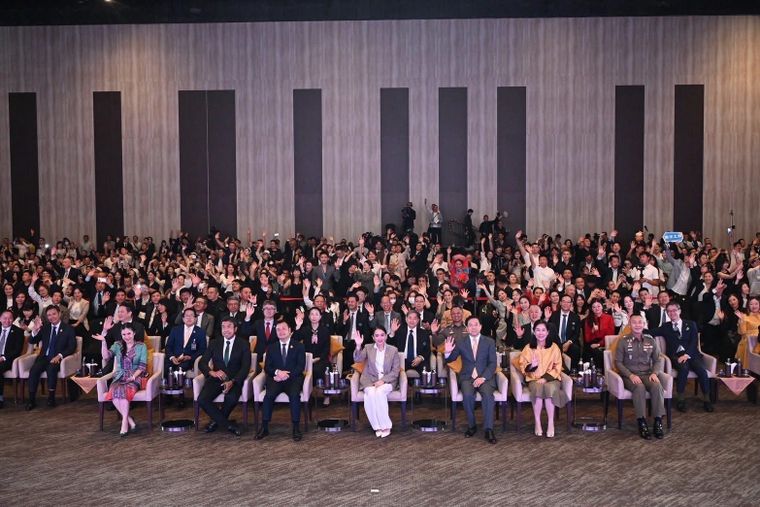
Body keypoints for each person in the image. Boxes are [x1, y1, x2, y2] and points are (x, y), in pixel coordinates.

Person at [444, 316, 498, 444]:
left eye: (476, 324)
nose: (473, 327)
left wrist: (483, 377)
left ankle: (488, 429)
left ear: (480, 327)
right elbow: (451, 359)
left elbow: (493, 363)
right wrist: (447, 352)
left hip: (485, 377)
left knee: (488, 396)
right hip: (467, 377)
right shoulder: (461, 342)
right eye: (470, 325)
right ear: (467, 328)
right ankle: (472, 425)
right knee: (467, 395)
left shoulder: (489, 342)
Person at [613, 314, 667, 440]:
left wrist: (655, 373)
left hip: (647, 374)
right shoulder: (623, 341)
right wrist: (630, 375)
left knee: (657, 386)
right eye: (634, 322)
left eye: (640, 322)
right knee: (639, 387)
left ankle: (658, 421)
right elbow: (618, 362)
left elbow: (658, 360)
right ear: (630, 325)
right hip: (629, 376)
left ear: (644, 324)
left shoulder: (650, 340)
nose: (637, 325)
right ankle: (641, 422)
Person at [197, 317, 251, 436]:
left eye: (229, 327)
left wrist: (232, 381)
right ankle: (228, 425)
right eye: (223, 327)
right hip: (216, 379)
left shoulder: (243, 344)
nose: (226, 330)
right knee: (202, 399)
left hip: (234, 379)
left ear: (235, 329)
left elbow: (245, 367)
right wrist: (212, 372)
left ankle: (215, 422)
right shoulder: (214, 343)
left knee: (231, 399)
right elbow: (202, 362)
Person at [656, 302, 713, 413]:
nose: (672, 313)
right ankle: (680, 399)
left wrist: (687, 355)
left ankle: (707, 399)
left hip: (692, 354)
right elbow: (651, 332)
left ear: (679, 311)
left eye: (674, 310)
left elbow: (694, 341)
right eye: (669, 311)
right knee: (684, 368)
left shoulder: (691, 324)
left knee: (702, 371)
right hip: (675, 356)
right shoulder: (665, 327)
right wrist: (634, 329)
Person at [256, 320, 307, 442]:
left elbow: (300, 366)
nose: (281, 331)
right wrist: (277, 373)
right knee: (268, 396)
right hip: (276, 379)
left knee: (294, 396)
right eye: (278, 329)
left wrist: (286, 375)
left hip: (293, 379)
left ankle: (296, 428)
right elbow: (267, 367)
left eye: (284, 329)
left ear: (290, 331)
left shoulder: (299, 346)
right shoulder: (271, 347)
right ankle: (264, 427)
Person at [93, 324, 147, 436]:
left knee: (123, 391)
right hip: (120, 376)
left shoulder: (141, 346)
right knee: (114, 392)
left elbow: (142, 366)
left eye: (129, 334)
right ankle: (129, 420)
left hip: (135, 376)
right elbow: (106, 357)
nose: (127, 337)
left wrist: (133, 376)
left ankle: (124, 423)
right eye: (124, 334)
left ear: (134, 333)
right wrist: (103, 341)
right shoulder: (117, 345)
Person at [516, 321, 567, 438]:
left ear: (547, 332)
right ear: (534, 332)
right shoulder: (528, 348)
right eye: (538, 330)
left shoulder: (554, 347)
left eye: (543, 330)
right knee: (538, 390)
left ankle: (550, 423)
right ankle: (537, 422)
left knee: (549, 389)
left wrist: (545, 378)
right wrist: (532, 366)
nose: (540, 333)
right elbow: (522, 366)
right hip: (534, 379)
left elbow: (558, 366)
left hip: (551, 378)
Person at [25, 305, 77, 410]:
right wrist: (35, 330)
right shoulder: (45, 327)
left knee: (51, 368)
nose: (52, 317)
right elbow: (32, 341)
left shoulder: (68, 329)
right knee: (34, 370)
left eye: (54, 314)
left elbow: (72, 347)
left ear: (59, 314)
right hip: (44, 357)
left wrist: (60, 355)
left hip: (57, 358)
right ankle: (31, 400)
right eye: (49, 315)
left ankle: (51, 397)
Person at [352, 326, 401, 437]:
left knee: (379, 392)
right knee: (370, 394)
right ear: (373, 337)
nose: (380, 338)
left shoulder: (393, 350)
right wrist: (358, 346)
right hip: (369, 380)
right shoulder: (368, 347)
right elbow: (357, 359)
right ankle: (377, 426)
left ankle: (386, 425)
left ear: (386, 336)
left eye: (382, 335)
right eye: (377, 335)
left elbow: (395, 371)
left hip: (388, 381)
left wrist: (383, 381)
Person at [164, 307, 208, 407]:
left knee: (180, 369)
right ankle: (168, 396)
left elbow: (202, 349)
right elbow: (168, 346)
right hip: (174, 358)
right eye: (186, 316)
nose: (189, 318)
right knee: (167, 368)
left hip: (189, 359)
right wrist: (172, 357)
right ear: (183, 318)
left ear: (196, 318)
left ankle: (181, 396)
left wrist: (190, 357)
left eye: (192, 316)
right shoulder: (175, 330)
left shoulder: (200, 332)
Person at [294, 306, 331, 405]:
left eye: (316, 314)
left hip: (321, 358)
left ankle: (326, 395)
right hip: (307, 358)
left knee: (321, 369)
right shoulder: (305, 329)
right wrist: (297, 327)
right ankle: (307, 394)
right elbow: (294, 341)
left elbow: (327, 348)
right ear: (309, 316)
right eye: (312, 314)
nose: (314, 317)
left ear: (320, 317)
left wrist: (318, 358)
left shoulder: (325, 330)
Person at [548, 294, 581, 368]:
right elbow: (550, 331)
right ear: (560, 303)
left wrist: (568, 342)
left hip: (569, 342)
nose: (566, 304)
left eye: (568, 302)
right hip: (556, 342)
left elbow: (576, 334)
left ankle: (573, 371)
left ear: (571, 304)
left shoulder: (575, 317)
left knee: (575, 349)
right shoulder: (553, 315)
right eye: (564, 301)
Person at [0, 310, 24, 408]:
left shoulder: (18, 332)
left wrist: (3, 358)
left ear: (13, 319)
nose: (7, 320)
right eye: (5, 318)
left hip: (8, 359)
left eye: (10, 318)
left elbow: (17, 350)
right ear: (0, 319)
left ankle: (0, 398)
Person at [583, 299, 615, 367]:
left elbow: (610, 335)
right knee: (588, 351)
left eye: (598, 306)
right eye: (594, 307)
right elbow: (587, 339)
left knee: (598, 352)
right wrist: (592, 331)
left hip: (605, 342)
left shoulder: (609, 318)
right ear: (591, 309)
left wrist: (599, 344)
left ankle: (600, 371)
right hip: (592, 342)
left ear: (602, 307)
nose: (596, 308)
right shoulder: (588, 319)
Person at [735, 296, 760, 365]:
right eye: (751, 304)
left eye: (756, 304)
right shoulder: (744, 316)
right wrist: (741, 320)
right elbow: (742, 332)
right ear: (748, 306)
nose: (754, 306)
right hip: (749, 341)